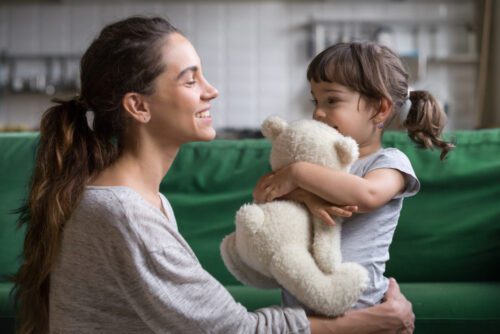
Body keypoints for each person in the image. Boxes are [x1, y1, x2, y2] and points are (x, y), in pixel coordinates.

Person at [12, 17, 415, 333]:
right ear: (138, 106)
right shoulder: (122, 212)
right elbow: (235, 331)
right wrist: (371, 321)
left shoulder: (142, 201)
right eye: (190, 78)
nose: (212, 90)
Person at [253, 41, 454, 314]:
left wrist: (298, 174)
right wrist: (305, 196)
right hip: (298, 314)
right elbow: (264, 194)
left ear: (380, 109)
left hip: (361, 309)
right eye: (316, 100)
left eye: (331, 100)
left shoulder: (389, 163)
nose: (317, 112)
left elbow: (366, 195)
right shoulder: (311, 161)